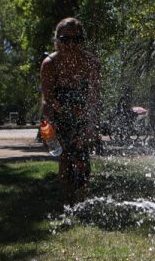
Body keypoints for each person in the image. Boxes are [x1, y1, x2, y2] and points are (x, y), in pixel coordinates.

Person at [41, 17, 101, 203]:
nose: (71, 44)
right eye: (65, 39)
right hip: (57, 115)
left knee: (82, 157)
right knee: (64, 157)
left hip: (83, 114)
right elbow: (47, 99)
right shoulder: (50, 64)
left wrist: (91, 125)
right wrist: (49, 126)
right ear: (57, 40)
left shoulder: (91, 63)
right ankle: (68, 202)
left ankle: (82, 201)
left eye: (77, 39)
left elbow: (95, 99)